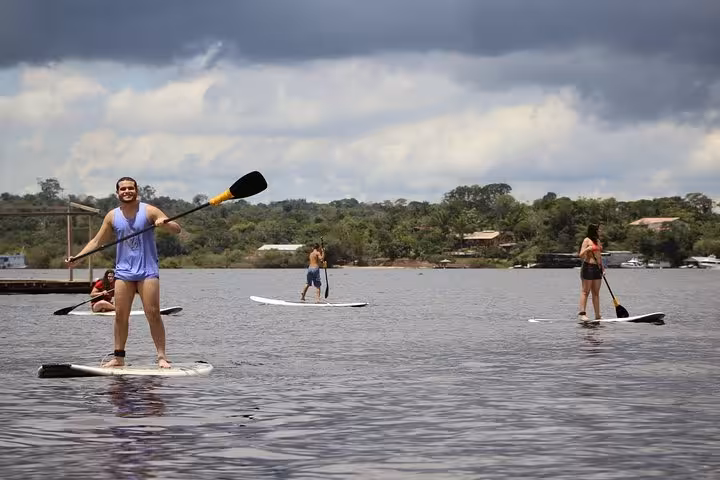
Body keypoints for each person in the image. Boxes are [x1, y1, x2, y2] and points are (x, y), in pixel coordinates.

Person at [67, 177, 181, 368]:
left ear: (136, 191)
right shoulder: (112, 216)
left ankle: (162, 357)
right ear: (117, 193)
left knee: (152, 313)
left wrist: (165, 223)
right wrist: (77, 257)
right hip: (123, 272)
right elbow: (96, 242)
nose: (127, 191)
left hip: (147, 271)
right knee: (120, 314)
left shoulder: (149, 210)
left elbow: (176, 229)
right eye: (123, 189)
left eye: (130, 188)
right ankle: (118, 357)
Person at [578, 223, 604, 321]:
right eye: (598, 230)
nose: (600, 231)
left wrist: (602, 268)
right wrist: (587, 249)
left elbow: (599, 256)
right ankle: (582, 314)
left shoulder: (598, 241)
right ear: (594, 230)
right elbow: (580, 255)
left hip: (597, 268)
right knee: (585, 292)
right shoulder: (586, 240)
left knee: (596, 293)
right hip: (588, 267)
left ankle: (597, 315)